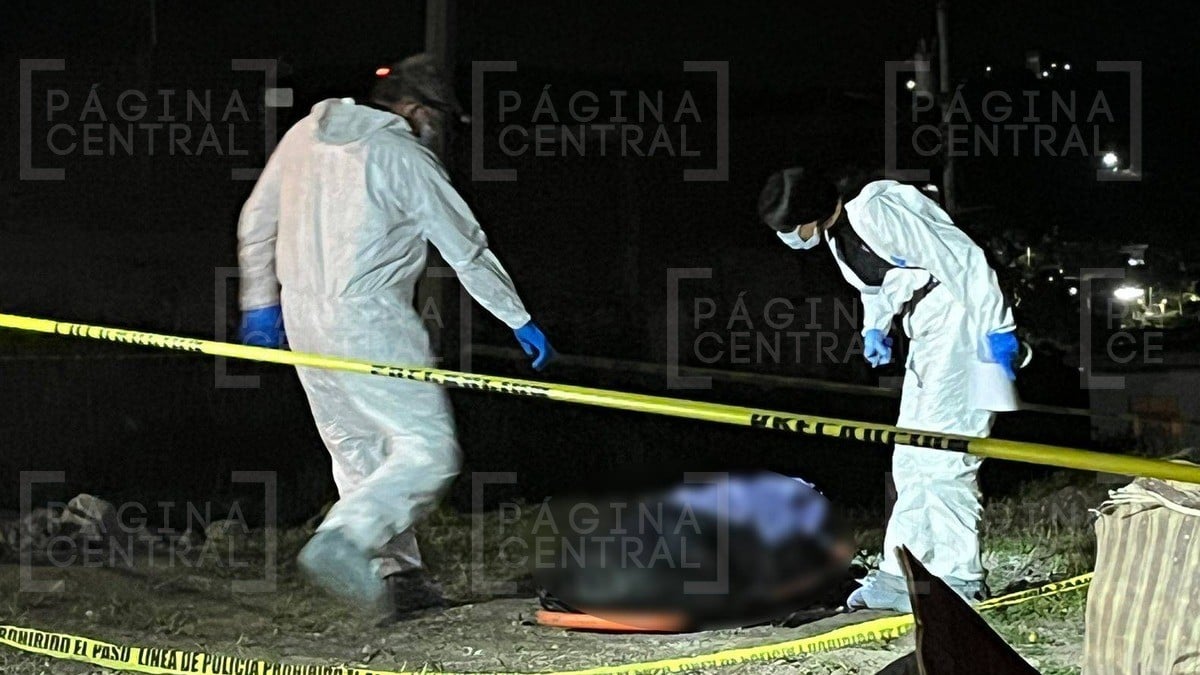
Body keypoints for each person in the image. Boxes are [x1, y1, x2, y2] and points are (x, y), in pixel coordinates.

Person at [237, 54, 555, 616]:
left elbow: (255, 222)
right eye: (438, 117)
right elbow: (465, 247)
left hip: (304, 320)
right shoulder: (403, 156)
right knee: (427, 450)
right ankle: (347, 537)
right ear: (414, 109)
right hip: (370, 320)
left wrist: (260, 305)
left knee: (358, 450)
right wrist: (517, 317)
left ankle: (397, 576)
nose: (440, 130)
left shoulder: (302, 136)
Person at [757, 167, 1019, 611]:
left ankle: (961, 574)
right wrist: (874, 328)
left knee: (945, 453)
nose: (788, 238)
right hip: (927, 328)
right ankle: (903, 572)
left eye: (788, 228)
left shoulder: (878, 208)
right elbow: (878, 287)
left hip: (961, 321)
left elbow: (962, 257)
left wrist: (998, 328)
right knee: (910, 455)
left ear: (809, 214)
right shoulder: (838, 238)